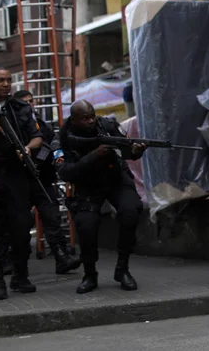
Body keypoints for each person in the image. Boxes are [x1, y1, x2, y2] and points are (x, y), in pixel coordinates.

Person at [50, 100, 146, 294]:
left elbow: (128, 150)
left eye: (92, 115)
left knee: (131, 210)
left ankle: (122, 269)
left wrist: (136, 151)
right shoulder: (62, 139)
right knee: (86, 225)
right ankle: (90, 274)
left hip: (115, 178)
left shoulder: (108, 126)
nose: (91, 121)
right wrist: (94, 155)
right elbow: (65, 172)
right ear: (74, 119)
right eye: (85, 118)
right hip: (87, 185)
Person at [0, 66, 42, 300]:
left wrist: (28, 148)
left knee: (21, 227)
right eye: (0, 80)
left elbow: (37, 136)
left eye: (9, 80)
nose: (6, 84)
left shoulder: (19, 107)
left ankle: (20, 276)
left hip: (15, 175)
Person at [13, 90, 81, 275]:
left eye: (31, 101)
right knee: (19, 224)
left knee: (52, 219)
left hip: (42, 179)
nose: (30, 105)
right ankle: (16, 266)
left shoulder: (40, 124)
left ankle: (62, 258)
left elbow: (52, 143)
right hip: (21, 181)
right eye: (25, 102)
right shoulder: (15, 124)